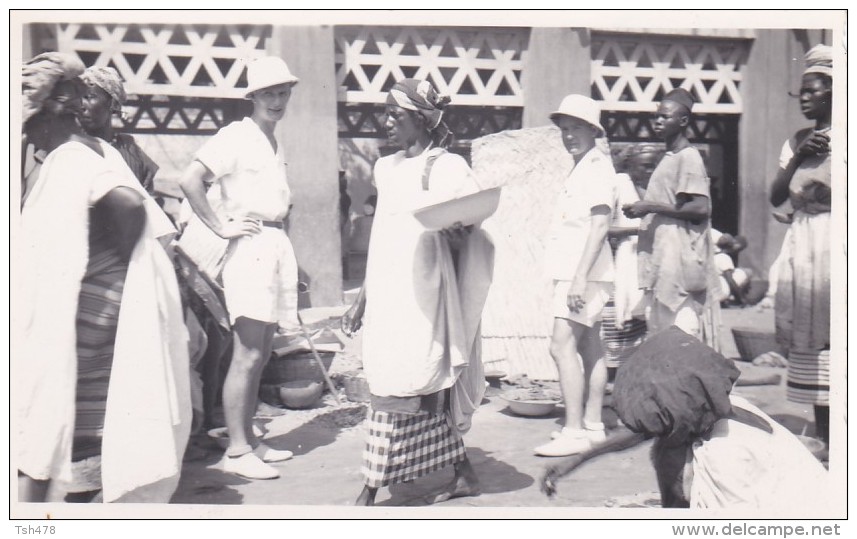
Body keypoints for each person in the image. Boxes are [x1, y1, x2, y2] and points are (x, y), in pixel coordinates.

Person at [18, 52, 191, 503]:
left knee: (52, 419)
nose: (28, 136)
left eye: (29, 124)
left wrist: (103, 279)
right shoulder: (94, 149)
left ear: (52, 109)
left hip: (92, 304)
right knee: (83, 421)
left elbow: (131, 208)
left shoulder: (73, 156)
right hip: (101, 301)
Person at [341, 78, 493, 505]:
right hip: (391, 295)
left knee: (415, 381)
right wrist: (362, 298)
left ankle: (370, 487)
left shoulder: (447, 168)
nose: (387, 121)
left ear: (422, 120)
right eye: (386, 113)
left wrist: (460, 235)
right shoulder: (385, 168)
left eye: (397, 115)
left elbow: (472, 227)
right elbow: (383, 241)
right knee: (399, 380)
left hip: (426, 294)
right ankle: (463, 472)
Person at [541, 327, 829, 510]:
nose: (653, 429)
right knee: (666, 448)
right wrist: (577, 460)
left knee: (667, 452)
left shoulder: (723, 455)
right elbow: (646, 429)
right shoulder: (720, 407)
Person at [178, 56, 300, 480]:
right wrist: (221, 227)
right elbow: (190, 180)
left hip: (274, 242)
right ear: (252, 96)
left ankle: (250, 438)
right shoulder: (236, 135)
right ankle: (236, 449)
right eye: (268, 92)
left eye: (283, 91)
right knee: (247, 352)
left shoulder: (274, 141)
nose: (277, 100)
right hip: (248, 246)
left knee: (263, 351)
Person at [534, 94, 615, 457]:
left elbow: (599, 225)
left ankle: (573, 430)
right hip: (582, 271)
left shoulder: (597, 167)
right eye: (565, 130)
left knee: (560, 345)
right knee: (589, 345)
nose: (569, 136)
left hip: (581, 273)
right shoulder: (584, 166)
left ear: (594, 131)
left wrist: (580, 278)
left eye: (577, 128)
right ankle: (594, 424)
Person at [769, 44, 833, 445]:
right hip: (804, 244)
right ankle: (826, 437)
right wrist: (798, 160)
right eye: (802, 92)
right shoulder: (796, 142)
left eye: (814, 90)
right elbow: (776, 196)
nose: (805, 98)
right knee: (811, 342)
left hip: (836, 241)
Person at [623, 88, 719, 346]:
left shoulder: (689, 157)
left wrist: (650, 206)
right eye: (657, 116)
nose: (658, 121)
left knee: (680, 336)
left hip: (679, 261)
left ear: (683, 121)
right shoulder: (670, 157)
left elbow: (700, 208)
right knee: (663, 335)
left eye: (665, 117)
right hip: (664, 258)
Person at [600, 144, 662, 370]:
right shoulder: (618, 186)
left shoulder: (654, 191)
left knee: (641, 327)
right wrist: (636, 232)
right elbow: (601, 228)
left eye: (655, 166)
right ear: (630, 165)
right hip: (618, 266)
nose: (651, 171)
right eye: (646, 166)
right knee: (613, 326)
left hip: (645, 267)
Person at [77, 66, 159, 195]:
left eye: (89, 97)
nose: (81, 105)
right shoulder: (69, 148)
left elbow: (149, 206)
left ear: (113, 104)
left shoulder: (133, 154)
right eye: (78, 98)